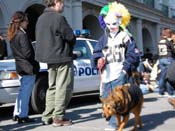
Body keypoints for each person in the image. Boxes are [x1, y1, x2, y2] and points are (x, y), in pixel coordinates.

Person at [92, 2, 140, 131]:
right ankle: (114, 123)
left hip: (121, 74)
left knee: (120, 100)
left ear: (120, 21)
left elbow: (133, 55)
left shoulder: (126, 37)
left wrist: (125, 69)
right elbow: (96, 53)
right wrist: (98, 59)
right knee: (109, 101)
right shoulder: (103, 39)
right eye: (108, 24)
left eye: (114, 23)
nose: (111, 26)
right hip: (107, 75)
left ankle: (115, 124)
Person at [35, 0, 76, 127]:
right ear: (57, 2)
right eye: (62, 3)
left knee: (52, 87)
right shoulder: (59, 18)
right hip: (62, 57)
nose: (63, 6)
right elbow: (70, 37)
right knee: (63, 87)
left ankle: (47, 116)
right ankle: (58, 117)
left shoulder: (40, 18)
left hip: (48, 59)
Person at [6, 11, 40, 123]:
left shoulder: (13, 35)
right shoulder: (22, 35)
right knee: (25, 92)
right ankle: (22, 115)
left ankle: (17, 113)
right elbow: (27, 53)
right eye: (26, 20)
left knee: (22, 91)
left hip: (20, 66)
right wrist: (35, 54)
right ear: (21, 22)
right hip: (28, 67)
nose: (27, 23)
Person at [157, 27, 175, 97]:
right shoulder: (168, 41)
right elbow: (173, 50)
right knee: (169, 76)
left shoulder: (159, 41)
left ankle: (161, 92)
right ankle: (170, 92)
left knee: (162, 76)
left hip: (161, 59)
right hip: (168, 58)